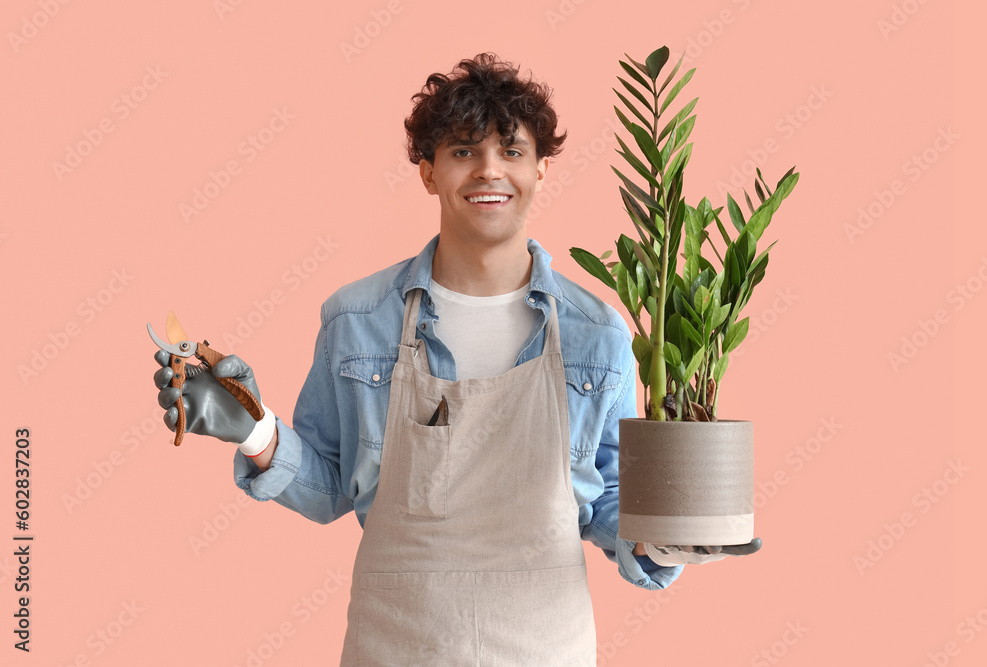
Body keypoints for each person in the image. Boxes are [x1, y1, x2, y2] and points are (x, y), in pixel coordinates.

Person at [153, 53, 734, 665]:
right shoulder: (358, 321)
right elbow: (328, 486)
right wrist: (255, 430)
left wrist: (666, 538)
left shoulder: (600, 334)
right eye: (463, 151)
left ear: (541, 170)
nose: (489, 171)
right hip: (395, 646)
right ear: (428, 172)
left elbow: (610, 495)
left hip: (545, 647)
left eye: (511, 152)